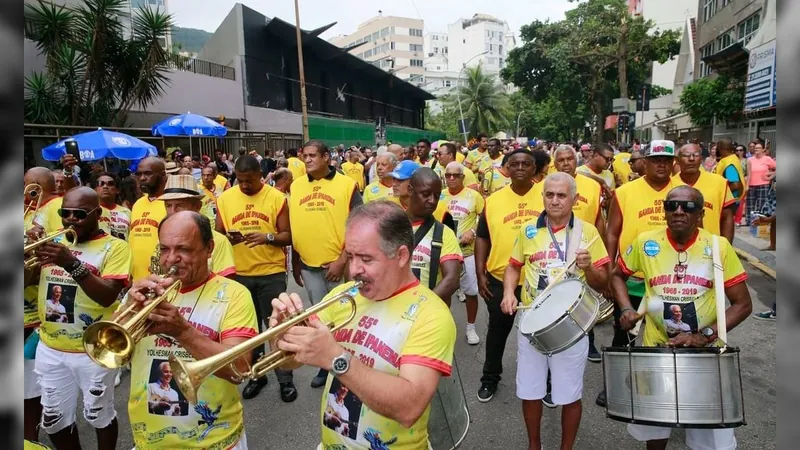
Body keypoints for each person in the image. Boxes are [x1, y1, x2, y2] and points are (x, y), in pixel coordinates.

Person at [270, 201, 456, 449]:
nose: (355, 269)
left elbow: (409, 407)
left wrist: (336, 357)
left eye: (366, 259)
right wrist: (280, 335)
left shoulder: (431, 314)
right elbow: (291, 360)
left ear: (401, 255)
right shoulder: (345, 295)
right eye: (350, 256)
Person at [613, 186, 752, 450]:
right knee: (655, 421)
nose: (678, 211)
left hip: (705, 354)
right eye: (671, 206)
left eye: (687, 207)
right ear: (664, 211)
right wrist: (625, 309)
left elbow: (743, 304)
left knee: (709, 432)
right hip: (657, 349)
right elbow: (617, 274)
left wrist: (705, 336)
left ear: (700, 214)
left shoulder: (718, 246)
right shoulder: (645, 242)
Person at [125, 211, 257, 449]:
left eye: (183, 249)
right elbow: (107, 351)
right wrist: (128, 307)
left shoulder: (235, 295)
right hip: (149, 440)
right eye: (164, 249)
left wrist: (183, 332)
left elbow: (240, 369)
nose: (171, 259)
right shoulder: (146, 290)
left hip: (214, 441)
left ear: (209, 249)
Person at [502, 172, 610, 450]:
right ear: (543, 197)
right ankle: (534, 445)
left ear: (574, 198)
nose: (555, 200)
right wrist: (508, 293)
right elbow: (513, 266)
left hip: (572, 324)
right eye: (549, 195)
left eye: (562, 195)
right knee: (530, 390)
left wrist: (589, 267)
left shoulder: (588, 232)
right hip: (532, 321)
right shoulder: (528, 229)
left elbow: (604, 281)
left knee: (569, 393)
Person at [26, 187, 130, 450]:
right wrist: (26, 254)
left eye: (80, 214)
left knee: (99, 415)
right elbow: (27, 281)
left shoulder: (115, 247)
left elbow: (107, 296)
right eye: (65, 213)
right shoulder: (55, 243)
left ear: (97, 214)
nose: (71, 219)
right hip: (50, 348)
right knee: (53, 420)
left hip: (93, 348)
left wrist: (71, 263)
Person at [596, 140, 677, 408]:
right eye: (655, 160)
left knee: (671, 333)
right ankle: (615, 385)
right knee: (624, 333)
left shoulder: (683, 192)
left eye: (667, 160)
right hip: (632, 278)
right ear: (645, 161)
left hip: (672, 281)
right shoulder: (626, 192)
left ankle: (669, 389)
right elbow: (612, 233)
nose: (661, 165)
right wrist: (609, 270)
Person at [215, 155, 295, 401]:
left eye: (249, 181)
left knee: (276, 329)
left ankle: (285, 379)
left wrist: (266, 237)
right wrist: (230, 238)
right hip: (238, 274)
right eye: (239, 180)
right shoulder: (226, 199)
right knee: (250, 332)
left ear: (261, 175)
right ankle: (257, 375)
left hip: (271, 272)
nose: (244, 185)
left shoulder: (277, 198)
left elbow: (288, 236)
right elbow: (218, 234)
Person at [289, 140, 362, 388]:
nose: (307, 160)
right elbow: (296, 224)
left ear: (326, 157)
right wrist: (296, 261)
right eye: (304, 156)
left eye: (312, 155)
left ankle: (352, 365)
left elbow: (359, 225)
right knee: (320, 319)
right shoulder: (296, 185)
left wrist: (342, 260)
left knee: (347, 316)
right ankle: (325, 364)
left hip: (340, 267)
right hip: (309, 266)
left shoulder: (347, 185)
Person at [475, 149, 541, 402]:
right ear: (507, 169)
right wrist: (480, 272)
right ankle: (490, 378)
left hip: (538, 279)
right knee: (497, 333)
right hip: (500, 278)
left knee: (538, 334)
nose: (521, 168)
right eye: (515, 164)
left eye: (527, 163)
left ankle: (542, 380)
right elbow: (483, 236)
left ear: (534, 168)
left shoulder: (547, 196)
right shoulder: (493, 201)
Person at [439, 162, 485, 344]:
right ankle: (444, 327)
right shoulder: (439, 196)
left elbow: (484, 218)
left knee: (471, 292)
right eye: (447, 175)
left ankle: (471, 327)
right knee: (444, 293)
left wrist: (472, 232)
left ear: (462, 177)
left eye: (455, 175)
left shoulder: (473, 196)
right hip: (444, 255)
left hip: (467, 252)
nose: (451, 178)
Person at [158, 174, 236, 277]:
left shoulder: (219, 241)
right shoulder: (164, 239)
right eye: (168, 206)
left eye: (180, 205)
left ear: (197, 207)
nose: (173, 211)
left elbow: (226, 285)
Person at [405, 168, 462, 304]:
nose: (432, 200)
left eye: (436, 196)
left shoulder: (444, 233)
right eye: (426, 194)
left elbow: (452, 279)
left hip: (428, 314)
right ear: (410, 190)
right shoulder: (390, 226)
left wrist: (421, 306)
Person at [671, 144, 735, 242]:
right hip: (675, 248)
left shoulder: (719, 182)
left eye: (696, 155)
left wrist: (726, 248)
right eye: (686, 155)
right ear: (677, 160)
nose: (691, 159)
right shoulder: (670, 185)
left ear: (701, 159)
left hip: (710, 247)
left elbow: (727, 217)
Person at [130, 157, 169, 281]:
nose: (142, 178)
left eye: (148, 173)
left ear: (163, 175)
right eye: (139, 174)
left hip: (162, 279)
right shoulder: (137, 204)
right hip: (136, 279)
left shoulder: (171, 204)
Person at [92, 172, 131, 241]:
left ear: (117, 190)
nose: (105, 186)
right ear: (95, 190)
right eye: (101, 183)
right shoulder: (91, 211)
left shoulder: (127, 212)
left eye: (110, 184)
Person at [745, 140, 776, 226]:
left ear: (763, 149)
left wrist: (770, 176)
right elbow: (749, 173)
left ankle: (761, 221)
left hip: (763, 184)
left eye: (758, 148)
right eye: (755, 148)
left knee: (762, 204)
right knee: (750, 204)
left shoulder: (767, 159)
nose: (756, 149)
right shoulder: (750, 159)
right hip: (752, 184)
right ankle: (749, 221)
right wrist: (747, 185)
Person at [714, 138, 746, 219]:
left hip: (729, 200)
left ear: (720, 147)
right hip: (730, 199)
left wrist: (721, 193)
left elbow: (735, 185)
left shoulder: (729, 164)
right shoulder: (731, 159)